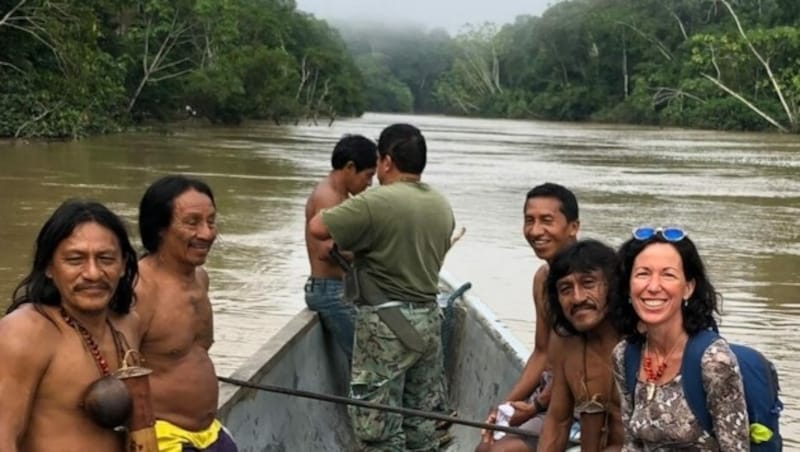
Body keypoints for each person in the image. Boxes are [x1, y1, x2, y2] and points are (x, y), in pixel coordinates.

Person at [308, 123, 454, 452]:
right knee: (419, 420)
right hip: (428, 322)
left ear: (386, 161)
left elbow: (318, 227)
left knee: (379, 426)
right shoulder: (441, 204)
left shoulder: (377, 202)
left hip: (386, 326)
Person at [0, 199, 141, 452]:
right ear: (49, 268)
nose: (93, 273)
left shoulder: (128, 325)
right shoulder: (26, 331)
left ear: (123, 266)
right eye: (75, 260)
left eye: (106, 259)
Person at [611, 226, 749, 450]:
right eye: (643, 274)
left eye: (668, 275)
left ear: (688, 288)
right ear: (628, 287)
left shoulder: (714, 361)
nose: (653, 287)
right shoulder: (625, 355)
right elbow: (632, 443)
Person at [135, 175, 238, 452]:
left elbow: (198, 350)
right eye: (192, 223)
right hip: (162, 436)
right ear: (159, 228)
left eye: (211, 221)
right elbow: (116, 373)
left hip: (209, 431)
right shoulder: (139, 289)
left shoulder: (200, 278)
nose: (207, 233)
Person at [478, 183, 580, 452]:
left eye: (547, 221)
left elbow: (583, 363)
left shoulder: (590, 284)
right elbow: (542, 352)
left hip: (581, 407)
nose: (536, 231)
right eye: (529, 221)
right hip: (547, 401)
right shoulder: (543, 279)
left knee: (503, 450)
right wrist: (503, 408)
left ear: (573, 227)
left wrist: (535, 406)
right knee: (485, 445)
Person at [536, 239, 624, 451]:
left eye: (588, 284)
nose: (577, 298)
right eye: (566, 289)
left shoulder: (640, 339)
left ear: (612, 285)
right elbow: (558, 421)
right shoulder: (565, 343)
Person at [304, 134, 378, 364]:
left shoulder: (340, 195)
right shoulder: (329, 197)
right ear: (349, 167)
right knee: (366, 361)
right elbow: (327, 250)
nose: (369, 184)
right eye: (367, 176)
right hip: (330, 292)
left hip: (339, 288)